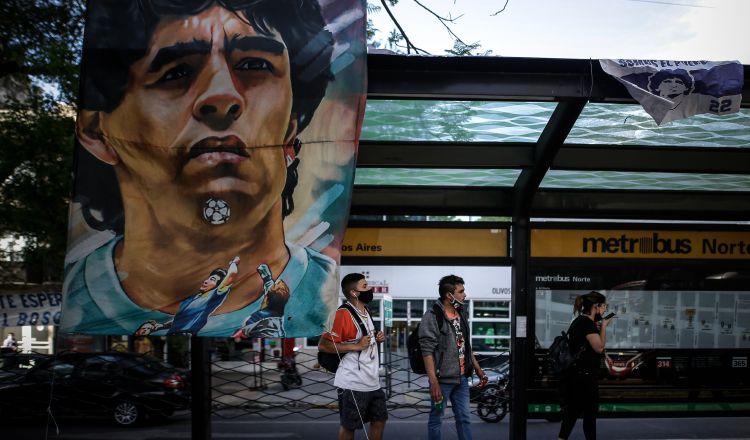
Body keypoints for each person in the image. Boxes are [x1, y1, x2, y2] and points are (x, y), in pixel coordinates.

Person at [61, 0, 342, 337]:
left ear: (292, 126)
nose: (223, 95)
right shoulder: (79, 304)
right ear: (97, 133)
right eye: (176, 73)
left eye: (254, 64)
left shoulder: (330, 297)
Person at [318, 273, 387, 440]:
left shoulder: (365, 311)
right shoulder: (343, 314)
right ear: (354, 293)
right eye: (365, 286)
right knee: (350, 427)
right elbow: (324, 345)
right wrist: (357, 345)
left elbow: (364, 339)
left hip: (372, 381)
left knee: (380, 420)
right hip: (352, 382)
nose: (370, 289)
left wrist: (377, 338)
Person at [419, 275, 487, 440]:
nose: (465, 295)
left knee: (464, 419)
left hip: (462, 379)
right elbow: (426, 351)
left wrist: (478, 369)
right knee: (436, 419)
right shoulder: (432, 315)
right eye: (461, 291)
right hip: (442, 382)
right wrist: (433, 382)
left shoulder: (461, 312)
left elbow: (465, 345)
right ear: (449, 295)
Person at [557, 291, 615, 440]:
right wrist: (603, 327)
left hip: (576, 375)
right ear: (596, 306)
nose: (604, 310)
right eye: (603, 307)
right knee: (589, 415)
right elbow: (599, 348)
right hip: (585, 377)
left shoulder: (578, 321)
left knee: (572, 413)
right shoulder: (587, 324)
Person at [135, 257, 240, 336]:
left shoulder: (214, 296)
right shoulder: (189, 300)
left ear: (218, 286)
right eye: (208, 278)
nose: (206, 281)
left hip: (186, 335)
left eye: (212, 279)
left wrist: (234, 263)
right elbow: (180, 319)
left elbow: (231, 276)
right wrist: (161, 326)